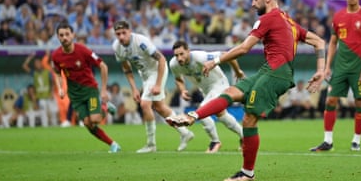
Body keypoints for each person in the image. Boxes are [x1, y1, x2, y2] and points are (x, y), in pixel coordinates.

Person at [166, 0, 325, 181]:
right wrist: (320, 70)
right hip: (269, 70)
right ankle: (192, 116)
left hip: (277, 73)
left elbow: (243, 48)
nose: (252, 4)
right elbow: (320, 42)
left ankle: (247, 173)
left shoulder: (268, 18)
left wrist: (215, 61)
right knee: (231, 92)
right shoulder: (289, 21)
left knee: (249, 119)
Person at [310, 0, 361, 152]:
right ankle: (328, 141)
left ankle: (356, 141)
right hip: (340, 68)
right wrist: (327, 67)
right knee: (330, 100)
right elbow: (332, 43)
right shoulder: (338, 17)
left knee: (359, 101)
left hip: (359, 67)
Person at [112, 20, 194, 153]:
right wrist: (134, 88)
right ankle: (185, 133)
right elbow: (126, 68)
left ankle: (151, 144)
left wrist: (157, 84)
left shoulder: (141, 42)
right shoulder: (117, 47)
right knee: (160, 107)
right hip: (145, 75)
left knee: (145, 105)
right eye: (118, 34)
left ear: (129, 31)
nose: (121, 36)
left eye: (123, 33)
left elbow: (161, 59)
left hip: (157, 70)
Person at [51, 22, 121, 153]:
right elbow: (57, 71)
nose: (64, 37)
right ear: (57, 37)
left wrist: (104, 90)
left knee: (94, 119)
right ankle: (113, 144)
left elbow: (103, 66)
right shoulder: (56, 55)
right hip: (75, 95)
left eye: (67, 34)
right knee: (88, 124)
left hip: (89, 90)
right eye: (61, 35)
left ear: (73, 35)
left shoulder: (83, 50)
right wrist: (60, 87)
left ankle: (105, 106)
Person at [169, 40, 245, 153]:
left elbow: (226, 55)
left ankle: (215, 142)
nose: (179, 58)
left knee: (201, 111)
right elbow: (178, 79)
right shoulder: (174, 64)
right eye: (176, 55)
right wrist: (183, 90)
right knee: (221, 115)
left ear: (188, 51)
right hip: (206, 89)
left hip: (219, 84)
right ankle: (244, 137)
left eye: (181, 54)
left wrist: (237, 72)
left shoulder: (200, 57)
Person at [22, 53, 59, 126]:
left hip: (49, 96)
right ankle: (45, 129)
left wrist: (52, 93)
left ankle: (55, 126)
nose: (37, 64)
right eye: (35, 63)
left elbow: (52, 82)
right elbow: (24, 66)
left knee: (53, 112)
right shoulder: (34, 73)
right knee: (43, 114)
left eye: (38, 63)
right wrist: (29, 58)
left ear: (41, 63)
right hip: (40, 98)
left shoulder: (47, 72)